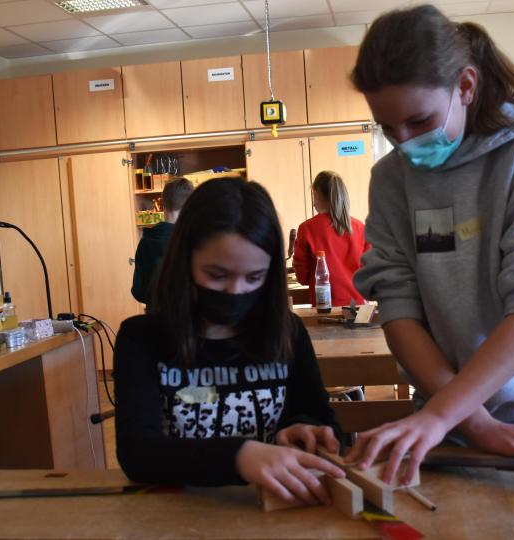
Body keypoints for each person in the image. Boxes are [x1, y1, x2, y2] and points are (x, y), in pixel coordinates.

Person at [345, 5, 514, 486]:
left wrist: (446, 416)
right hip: (436, 412)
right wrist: (462, 419)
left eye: (419, 121)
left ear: (466, 87)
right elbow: (398, 308)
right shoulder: (390, 180)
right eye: (387, 128)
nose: (404, 141)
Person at [114, 177, 345, 505]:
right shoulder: (142, 340)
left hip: (270, 515)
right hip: (176, 517)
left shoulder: (287, 332)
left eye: (254, 278)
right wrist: (239, 456)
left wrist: (305, 431)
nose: (236, 292)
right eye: (217, 275)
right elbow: (138, 454)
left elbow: (323, 423)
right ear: (186, 262)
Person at [293, 171, 370, 307]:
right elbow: (369, 274)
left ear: (316, 194)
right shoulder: (361, 228)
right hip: (359, 308)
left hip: (324, 308)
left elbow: (303, 277)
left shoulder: (307, 229)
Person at [131, 177, 194, 305]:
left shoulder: (146, 242)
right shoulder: (194, 241)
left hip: (155, 317)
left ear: (163, 204)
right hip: (188, 318)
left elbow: (138, 292)